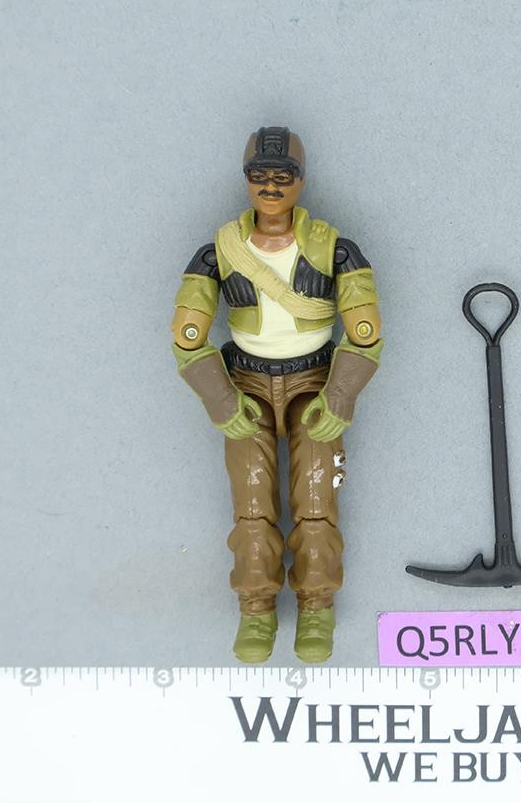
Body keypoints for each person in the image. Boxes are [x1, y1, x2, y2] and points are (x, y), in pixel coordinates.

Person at [170, 126, 382, 663]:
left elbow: (365, 332)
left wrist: (341, 395)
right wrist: (221, 400)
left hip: (315, 382)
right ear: (246, 181)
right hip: (246, 385)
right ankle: (256, 607)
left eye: (282, 176)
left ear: (300, 181)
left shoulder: (336, 249)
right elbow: (187, 337)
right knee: (250, 504)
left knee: (317, 499)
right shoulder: (218, 252)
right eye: (259, 176)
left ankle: (316, 604)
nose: (270, 186)